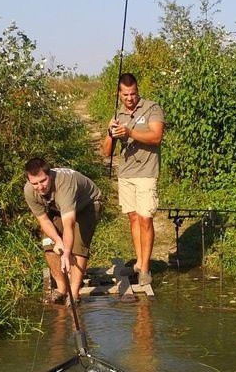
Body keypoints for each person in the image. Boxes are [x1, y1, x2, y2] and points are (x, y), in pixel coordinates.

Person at [100, 72, 164, 287]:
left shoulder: (152, 108)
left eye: (133, 93)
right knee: (134, 218)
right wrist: (111, 133)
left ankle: (145, 269)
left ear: (138, 90)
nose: (130, 98)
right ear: (119, 94)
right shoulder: (117, 115)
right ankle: (139, 262)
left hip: (147, 173)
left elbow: (156, 137)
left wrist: (130, 132)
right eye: (126, 94)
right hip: (126, 174)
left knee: (146, 218)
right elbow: (106, 152)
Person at [23, 158, 102, 303]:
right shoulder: (29, 190)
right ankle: (61, 288)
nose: (40, 187)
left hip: (87, 205)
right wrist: (58, 241)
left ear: (50, 175)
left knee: (78, 246)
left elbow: (69, 223)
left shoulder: (65, 185)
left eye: (43, 181)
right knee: (48, 243)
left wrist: (66, 252)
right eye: (35, 183)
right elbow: (43, 220)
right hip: (59, 208)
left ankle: (74, 293)